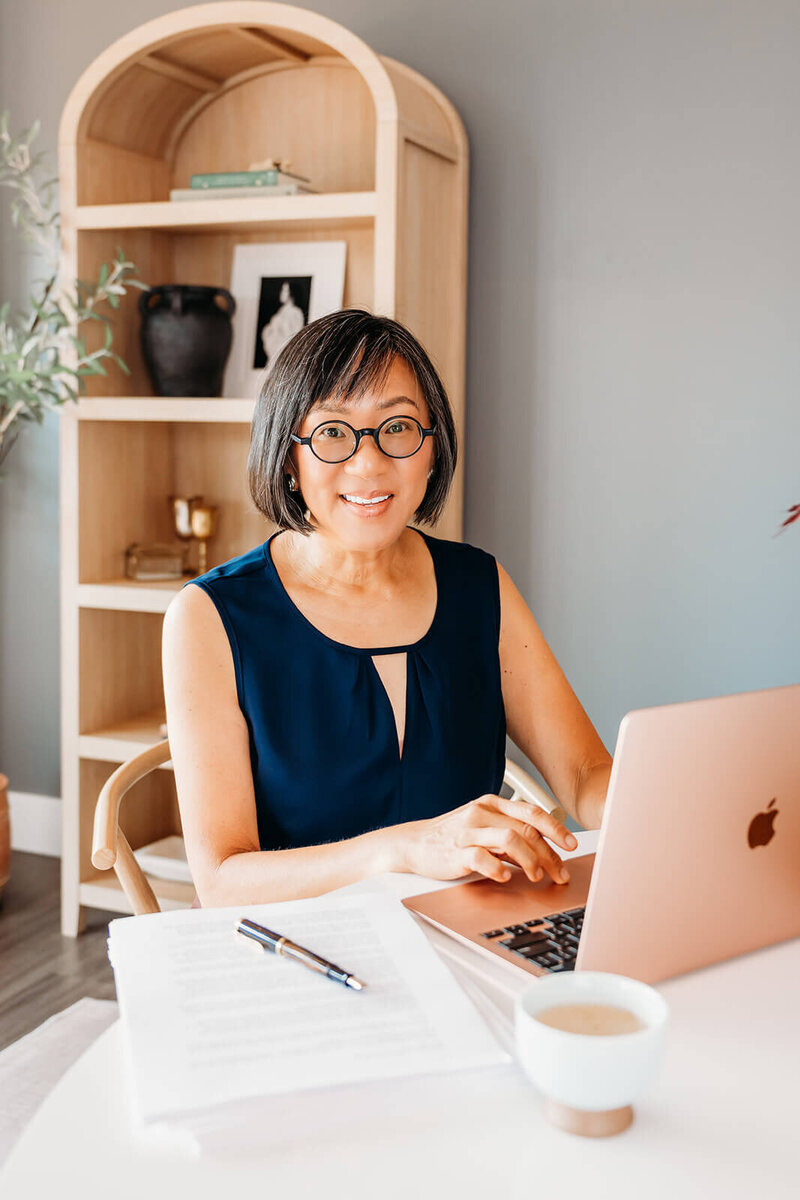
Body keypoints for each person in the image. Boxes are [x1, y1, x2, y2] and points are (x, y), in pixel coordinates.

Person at [162, 310, 612, 907]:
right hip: (306, 951)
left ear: (432, 446)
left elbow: (585, 778)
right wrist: (401, 850)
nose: (368, 463)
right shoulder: (209, 617)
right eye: (332, 432)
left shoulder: (479, 585)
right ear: (288, 455)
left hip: (473, 931)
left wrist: (690, 810)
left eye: (397, 427)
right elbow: (221, 880)